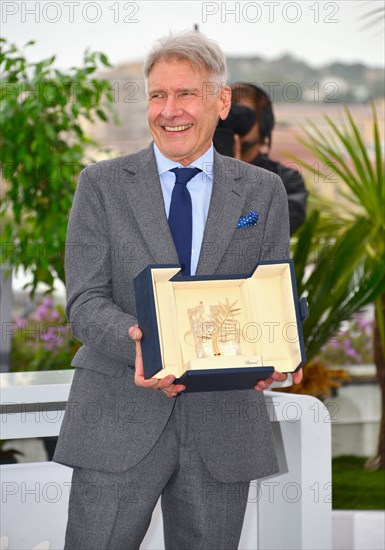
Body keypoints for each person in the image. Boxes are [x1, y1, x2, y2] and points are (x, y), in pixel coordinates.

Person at [54, 31, 303, 550]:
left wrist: (279, 350)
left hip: (224, 423)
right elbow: (84, 300)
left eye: (186, 94)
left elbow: (271, 290)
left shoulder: (263, 191)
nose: (170, 111)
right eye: (157, 95)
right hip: (117, 415)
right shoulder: (100, 184)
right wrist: (140, 343)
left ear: (222, 100)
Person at [230, 83, 308, 235]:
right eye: (229, 114)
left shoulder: (287, 180)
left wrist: (236, 175)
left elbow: (273, 229)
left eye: (245, 116)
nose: (236, 123)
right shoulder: (194, 173)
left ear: (264, 125)